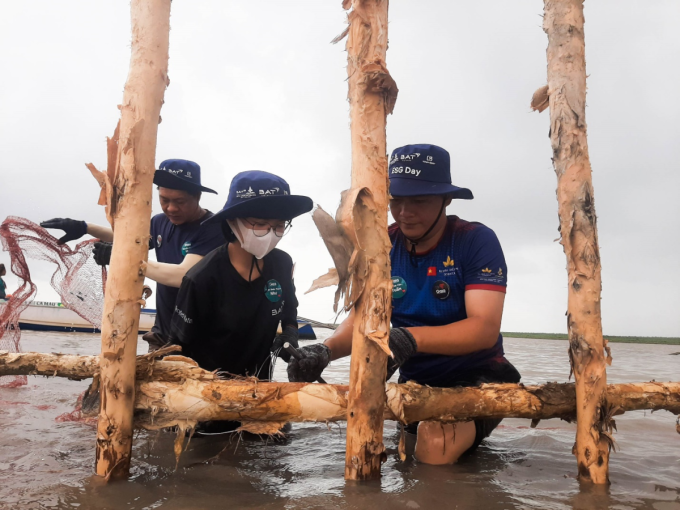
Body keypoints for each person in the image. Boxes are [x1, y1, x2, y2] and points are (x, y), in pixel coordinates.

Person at [287, 144, 521, 465]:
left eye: (420, 201)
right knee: (398, 456)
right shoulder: (382, 245)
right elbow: (361, 320)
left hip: (479, 375)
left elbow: (483, 329)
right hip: (414, 382)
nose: (405, 212)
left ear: (447, 199)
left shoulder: (474, 240)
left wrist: (410, 338)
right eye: (396, 201)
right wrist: (324, 350)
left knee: (434, 449)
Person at [40, 159, 225, 348]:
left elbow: (182, 276)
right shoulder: (160, 222)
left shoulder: (213, 228)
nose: (171, 208)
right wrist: (85, 227)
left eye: (180, 202)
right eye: (164, 200)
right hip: (162, 335)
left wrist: (125, 258)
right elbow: (128, 240)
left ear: (198, 196)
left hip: (199, 339)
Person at [168, 170, 313, 382]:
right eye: (260, 224)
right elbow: (177, 348)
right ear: (232, 222)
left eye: (279, 226)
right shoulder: (202, 279)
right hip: (208, 393)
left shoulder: (282, 264)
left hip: (260, 387)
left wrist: (289, 335)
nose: (271, 234)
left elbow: (289, 310)